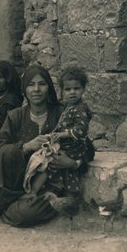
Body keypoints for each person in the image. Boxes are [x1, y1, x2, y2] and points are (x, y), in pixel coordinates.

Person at [0, 64, 95, 226]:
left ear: (49, 88)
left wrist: (72, 163)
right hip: (15, 181)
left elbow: (87, 147)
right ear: (24, 90)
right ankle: (1, 204)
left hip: (47, 183)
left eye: (42, 84)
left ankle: (3, 205)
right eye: (31, 85)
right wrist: (27, 146)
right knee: (7, 151)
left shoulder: (62, 113)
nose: (36, 89)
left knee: (23, 215)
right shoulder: (15, 116)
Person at [23, 67, 93, 197]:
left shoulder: (76, 109)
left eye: (76, 89)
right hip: (63, 146)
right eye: (67, 89)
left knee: (49, 163)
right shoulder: (66, 107)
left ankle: (37, 192)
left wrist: (73, 163)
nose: (72, 93)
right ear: (61, 91)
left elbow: (83, 135)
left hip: (70, 149)